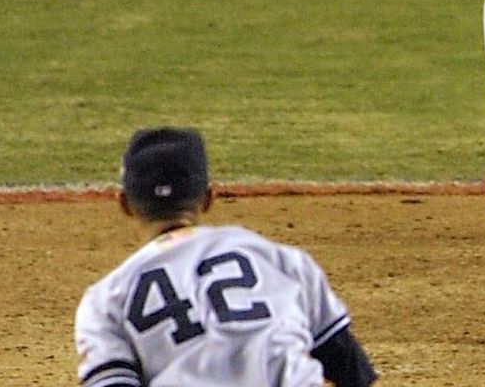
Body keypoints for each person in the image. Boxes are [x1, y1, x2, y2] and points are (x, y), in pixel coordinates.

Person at [74, 127, 377, 387]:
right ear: (208, 198)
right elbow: (352, 369)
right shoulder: (282, 260)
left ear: (124, 204)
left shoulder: (105, 300)